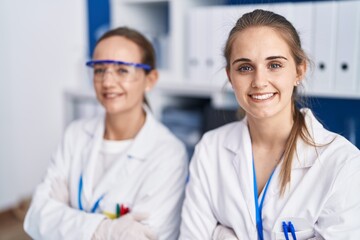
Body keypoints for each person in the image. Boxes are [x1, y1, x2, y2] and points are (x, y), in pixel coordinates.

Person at [179, 9, 360, 240]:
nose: (259, 82)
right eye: (245, 67)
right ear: (230, 77)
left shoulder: (343, 163)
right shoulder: (210, 148)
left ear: (299, 71)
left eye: (274, 65)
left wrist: (218, 235)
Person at [24, 26, 188, 240]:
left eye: (122, 70)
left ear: (150, 79)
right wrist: (105, 230)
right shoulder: (76, 135)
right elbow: (37, 217)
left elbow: (145, 237)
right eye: (100, 70)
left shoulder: (168, 153)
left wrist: (64, 218)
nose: (108, 82)